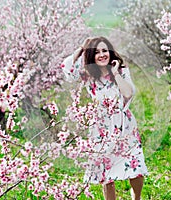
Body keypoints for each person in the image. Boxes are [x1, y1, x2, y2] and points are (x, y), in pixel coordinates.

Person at [62, 36, 148, 200]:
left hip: (124, 125)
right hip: (100, 127)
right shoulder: (88, 75)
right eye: (97, 52)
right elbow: (67, 69)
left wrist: (115, 73)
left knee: (134, 168)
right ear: (91, 56)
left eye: (104, 51)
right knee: (106, 171)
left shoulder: (121, 69)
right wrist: (81, 48)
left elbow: (128, 93)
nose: (101, 55)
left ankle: (137, 197)